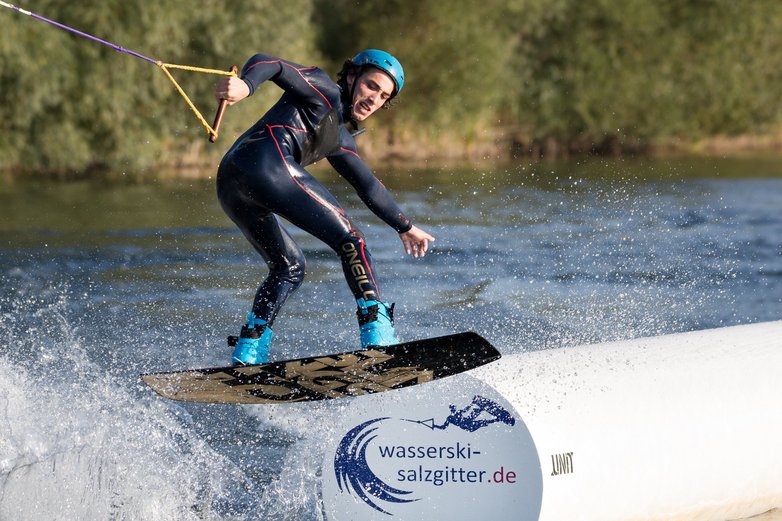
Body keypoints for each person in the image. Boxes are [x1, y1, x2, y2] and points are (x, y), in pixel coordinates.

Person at [214, 49, 434, 365]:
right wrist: (246, 86)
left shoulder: (341, 140)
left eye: (384, 96)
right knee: (352, 241)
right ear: (351, 76)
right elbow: (271, 63)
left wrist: (406, 226)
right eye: (372, 86)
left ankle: (249, 349)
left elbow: (369, 186)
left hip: (231, 183)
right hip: (266, 165)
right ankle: (377, 331)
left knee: (288, 267)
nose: (374, 99)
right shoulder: (323, 89)